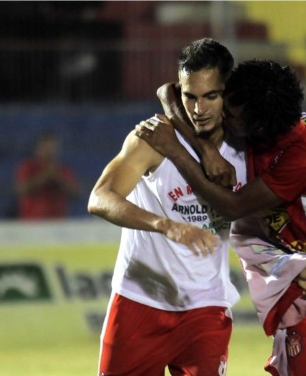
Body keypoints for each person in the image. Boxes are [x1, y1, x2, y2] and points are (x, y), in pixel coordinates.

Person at [136, 59, 306, 376]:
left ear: (259, 129)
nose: (223, 118)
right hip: (305, 282)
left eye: (233, 117)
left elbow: (232, 207)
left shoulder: (302, 156)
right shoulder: (258, 106)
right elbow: (169, 90)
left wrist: (177, 151)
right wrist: (207, 149)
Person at [87, 38, 247, 375]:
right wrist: (166, 225)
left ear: (227, 93)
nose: (198, 109)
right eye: (190, 97)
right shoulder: (153, 138)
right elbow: (100, 198)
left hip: (206, 306)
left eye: (210, 97)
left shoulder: (246, 148)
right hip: (139, 300)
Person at [15, 132, 80, 219]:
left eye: (52, 148)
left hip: (58, 220)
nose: (49, 152)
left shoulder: (62, 169)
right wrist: (43, 177)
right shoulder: (28, 167)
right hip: (32, 221)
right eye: (45, 148)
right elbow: (21, 190)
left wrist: (58, 178)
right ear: (38, 149)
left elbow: (75, 193)